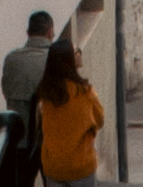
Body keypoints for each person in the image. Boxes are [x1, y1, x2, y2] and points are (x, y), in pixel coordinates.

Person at [0, 9, 57, 184]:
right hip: (48, 138)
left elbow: (6, 90)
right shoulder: (55, 60)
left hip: (18, 137)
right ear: (50, 32)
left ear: (28, 33)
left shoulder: (11, 59)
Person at [34, 32, 104, 182]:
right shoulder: (85, 93)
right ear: (70, 60)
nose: (79, 54)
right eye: (76, 51)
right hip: (81, 165)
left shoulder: (45, 95)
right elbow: (100, 120)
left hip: (53, 166)